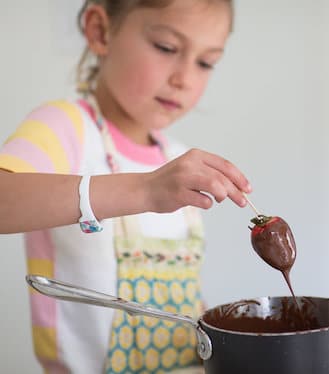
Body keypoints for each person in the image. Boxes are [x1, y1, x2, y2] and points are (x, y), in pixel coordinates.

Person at [0, 0, 250, 372]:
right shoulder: (66, 128)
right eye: (166, 48)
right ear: (101, 31)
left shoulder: (177, 160)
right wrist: (145, 191)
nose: (185, 78)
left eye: (205, 62)